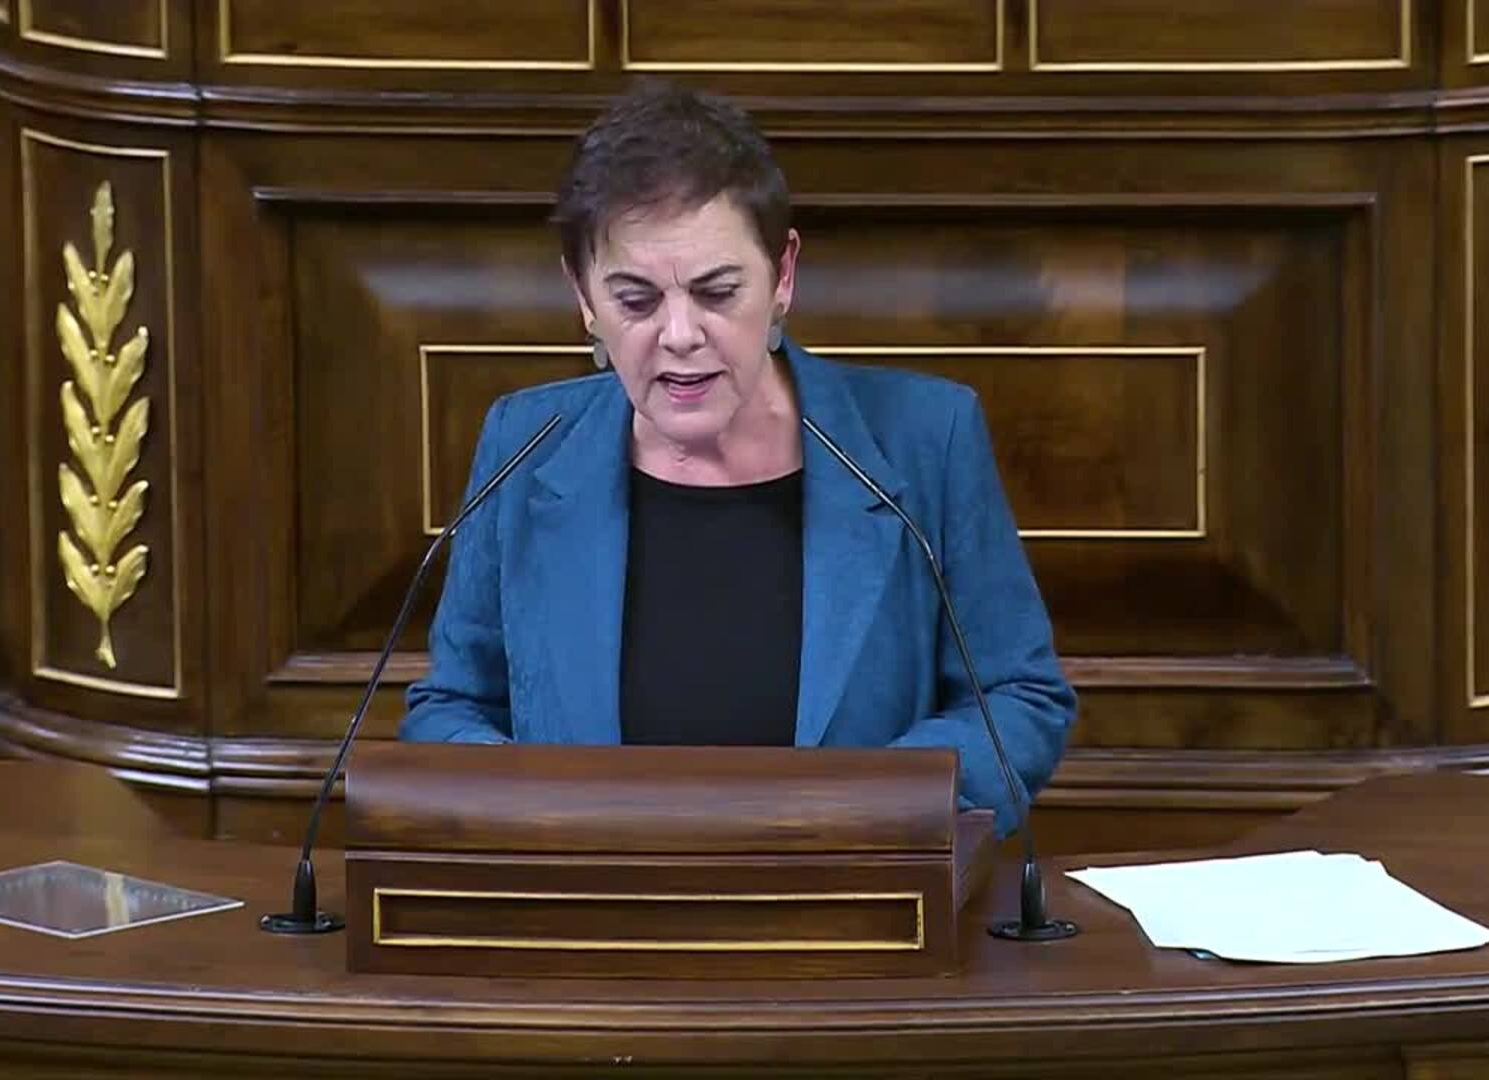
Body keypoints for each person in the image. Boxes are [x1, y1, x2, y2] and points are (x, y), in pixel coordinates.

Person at [402, 81, 1075, 834]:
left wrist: (860, 807)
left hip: (849, 893)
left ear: (782, 276)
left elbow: (1017, 700)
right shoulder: (525, 445)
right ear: (583, 295)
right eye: (635, 300)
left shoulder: (924, 439)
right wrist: (543, 806)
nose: (680, 335)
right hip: (591, 893)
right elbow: (450, 707)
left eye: (717, 292)